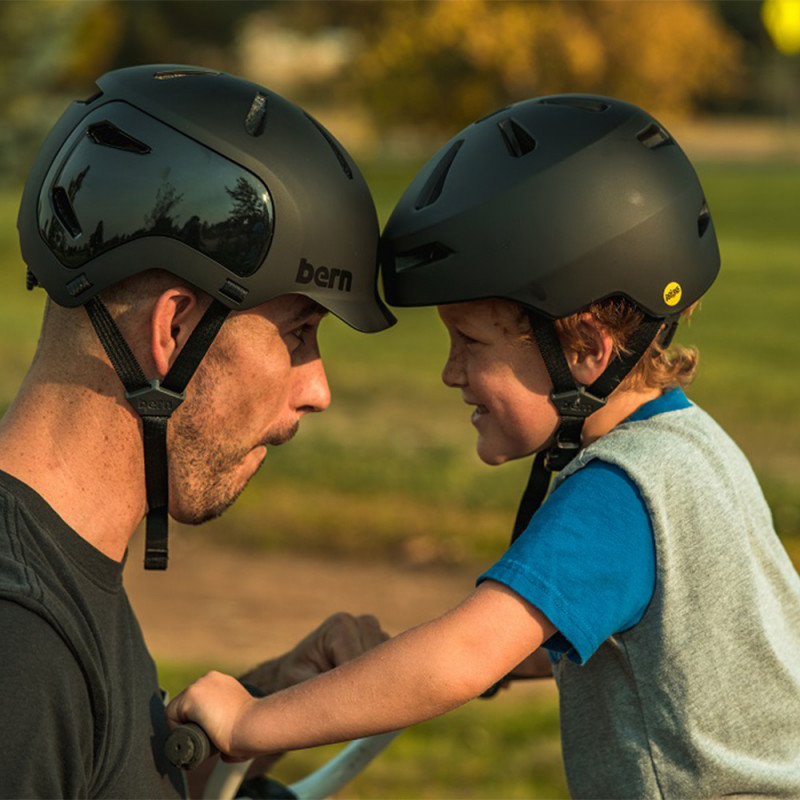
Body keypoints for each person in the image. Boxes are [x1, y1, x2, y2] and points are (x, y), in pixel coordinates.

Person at [167, 95, 800, 798]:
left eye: (470, 342)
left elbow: (462, 657)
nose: (449, 373)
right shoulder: (695, 450)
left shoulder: (618, 494)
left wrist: (253, 721)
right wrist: (394, 673)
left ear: (587, 347)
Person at [0, 64, 395, 798]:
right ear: (173, 330)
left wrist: (271, 704)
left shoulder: (58, 587)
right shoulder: (19, 648)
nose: (318, 391)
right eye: (300, 334)